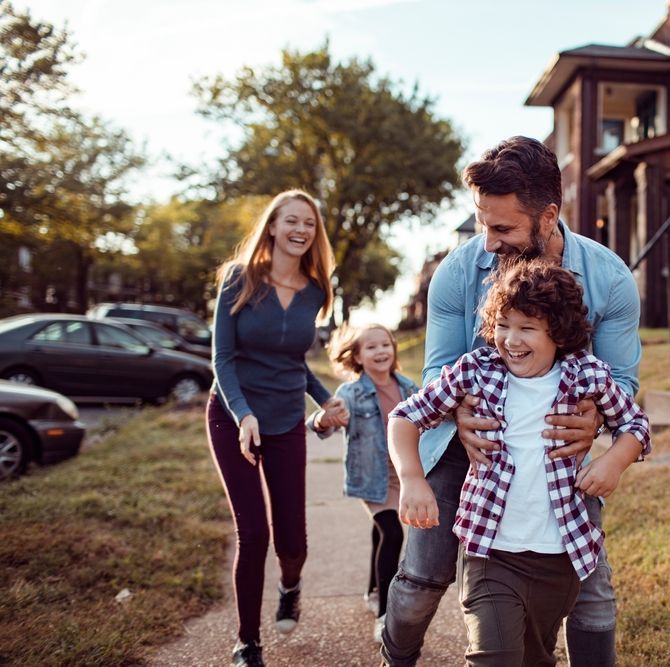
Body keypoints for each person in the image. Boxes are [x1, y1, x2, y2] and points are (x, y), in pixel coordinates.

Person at [380, 136, 642, 667]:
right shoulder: (457, 272)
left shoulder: (609, 278)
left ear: (548, 217)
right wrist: (461, 415)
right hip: (464, 446)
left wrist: (593, 425)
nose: (488, 240)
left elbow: (620, 381)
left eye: (502, 228)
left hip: (554, 449)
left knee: (591, 594)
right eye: (481, 222)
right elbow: (436, 373)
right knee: (424, 578)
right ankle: (395, 655)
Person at [206, 189, 347, 667]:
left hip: (287, 420)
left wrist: (326, 398)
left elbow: (294, 363)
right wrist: (243, 413)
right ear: (271, 226)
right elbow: (222, 359)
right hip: (232, 418)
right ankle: (247, 642)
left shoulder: (315, 290)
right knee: (254, 534)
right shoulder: (238, 279)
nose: (300, 230)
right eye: (291, 220)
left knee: (293, 539)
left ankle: (291, 587)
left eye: (309, 223)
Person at [308, 324, 419, 643]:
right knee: (393, 531)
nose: (381, 351)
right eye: (371, 347)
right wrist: (322, 419)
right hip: (372, 477)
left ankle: (372, 589)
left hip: (402, 475)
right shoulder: (350, 394)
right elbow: (321, 425)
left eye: (385, 344)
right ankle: (384, 613)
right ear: (357, 356)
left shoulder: (409, 387)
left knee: (381, 530)